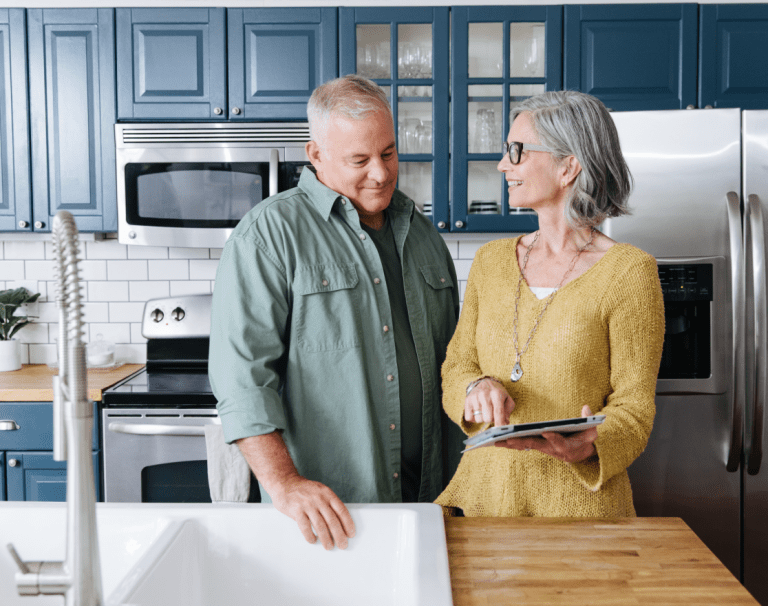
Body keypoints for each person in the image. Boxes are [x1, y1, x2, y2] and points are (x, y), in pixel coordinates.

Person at [209, 74, 460, 549]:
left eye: (388, 153)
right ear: (316, 155)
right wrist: (285, 484)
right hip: (329, 517)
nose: (381, 174)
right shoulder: (268, 236)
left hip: (430, 505)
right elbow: (242, 381)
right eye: (360, 160)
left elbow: (457, 360)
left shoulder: (425, 235)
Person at [436, 90, 665, 518]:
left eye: (517, 151)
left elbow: (635, 408)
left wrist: (593, 443)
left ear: (568, 166)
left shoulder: (629, 272)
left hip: (580, 518)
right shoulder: (491, 262)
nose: (504, 165)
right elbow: (456, 366)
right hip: (484, 506)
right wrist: (474, 388)